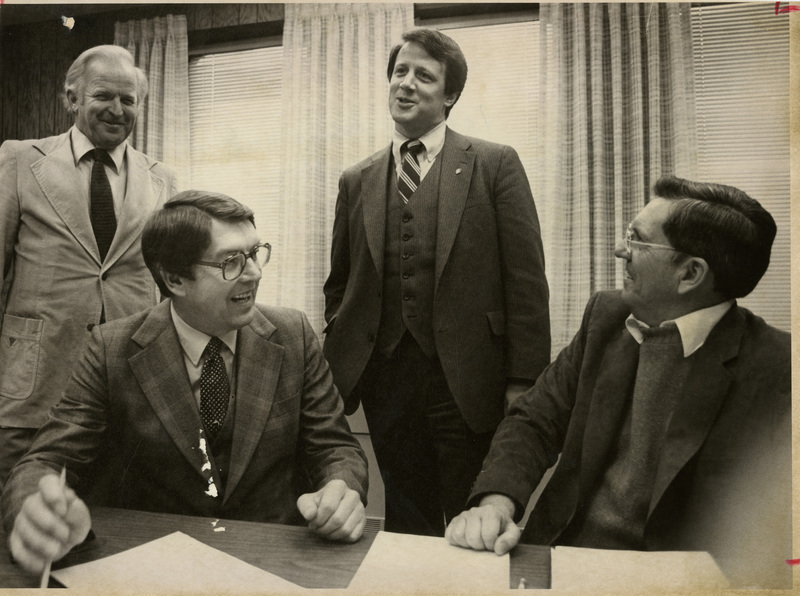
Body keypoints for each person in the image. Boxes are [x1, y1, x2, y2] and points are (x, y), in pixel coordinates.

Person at [445, 176, 791, 588]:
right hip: (559, 555)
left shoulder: (777, 368)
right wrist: (496, 503)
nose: (620, 250)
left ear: (690, 273)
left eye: (637, 239)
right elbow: (534, 419)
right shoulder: (605, 317)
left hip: (673, 582)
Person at [2, 190, 369, 575]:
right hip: (152, 566)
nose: (255, 273)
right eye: (232, 262)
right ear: (175, 279)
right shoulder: (112, 349)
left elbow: (335, 447)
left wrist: (341, 489)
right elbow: (45, 460)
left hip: (274, 560)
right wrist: (32, 507)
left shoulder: (293, 334)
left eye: (255, 252)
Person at [323, 28, 550, 536]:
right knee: (406, 519)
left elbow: (527, 282)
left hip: (471, 381)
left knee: (473, 521)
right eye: (400, 72)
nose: (405, 84)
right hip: (385, 381)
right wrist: (344, 341)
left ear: (449, 95)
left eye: (423, 76)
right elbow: (339, 282)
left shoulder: (494, 164)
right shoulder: (356, 179)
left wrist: (524, 380)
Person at [0, 44, 178, 488]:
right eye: (103, 96)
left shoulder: (163, 180)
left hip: (126, 391)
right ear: (72, 98)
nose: (117, 110)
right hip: (33, 389)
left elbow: (168, 287)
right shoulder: (20, 161)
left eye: (129, 100)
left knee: (116, 529)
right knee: (20, 524)